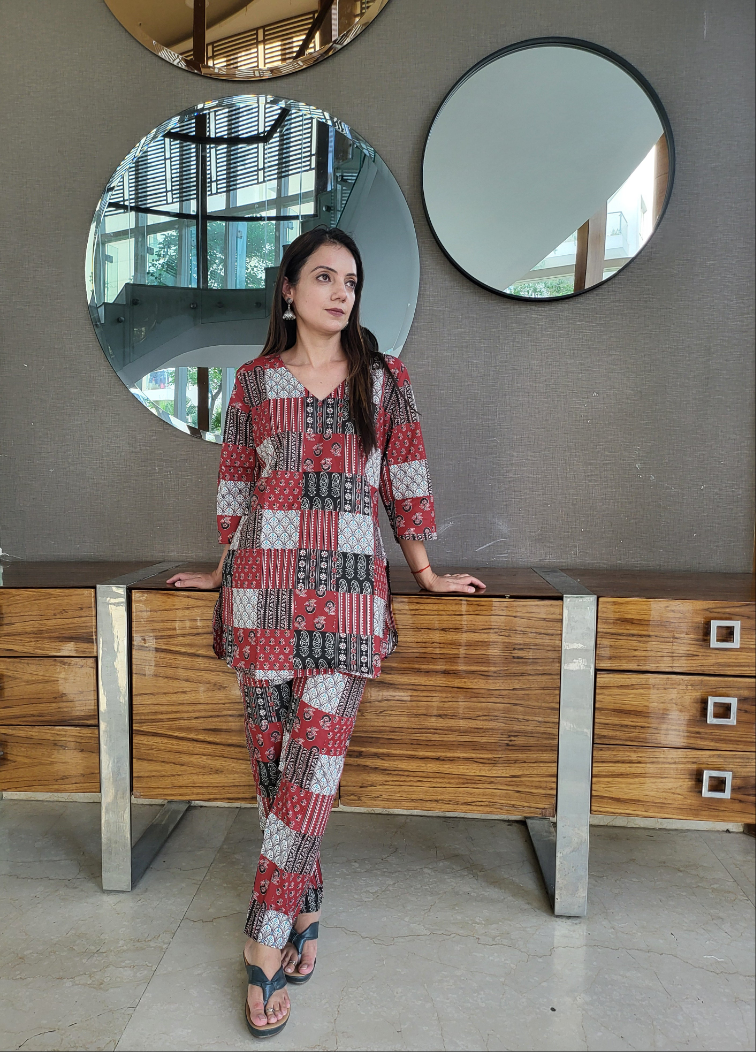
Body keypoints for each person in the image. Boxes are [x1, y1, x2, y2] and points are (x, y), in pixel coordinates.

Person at [168, 226, 485, 1038]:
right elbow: (237, 487)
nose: (342, 292)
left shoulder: (384, 379)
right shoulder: (254, 383)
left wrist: (425, 572)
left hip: (347, 603)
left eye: (351, 281)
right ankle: (304, 904)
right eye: (324, 277)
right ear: (288, 288)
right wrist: (218, 571)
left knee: (314, 770)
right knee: (276, 769)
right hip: (259, 594)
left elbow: (405, 478)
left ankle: (263, 934)